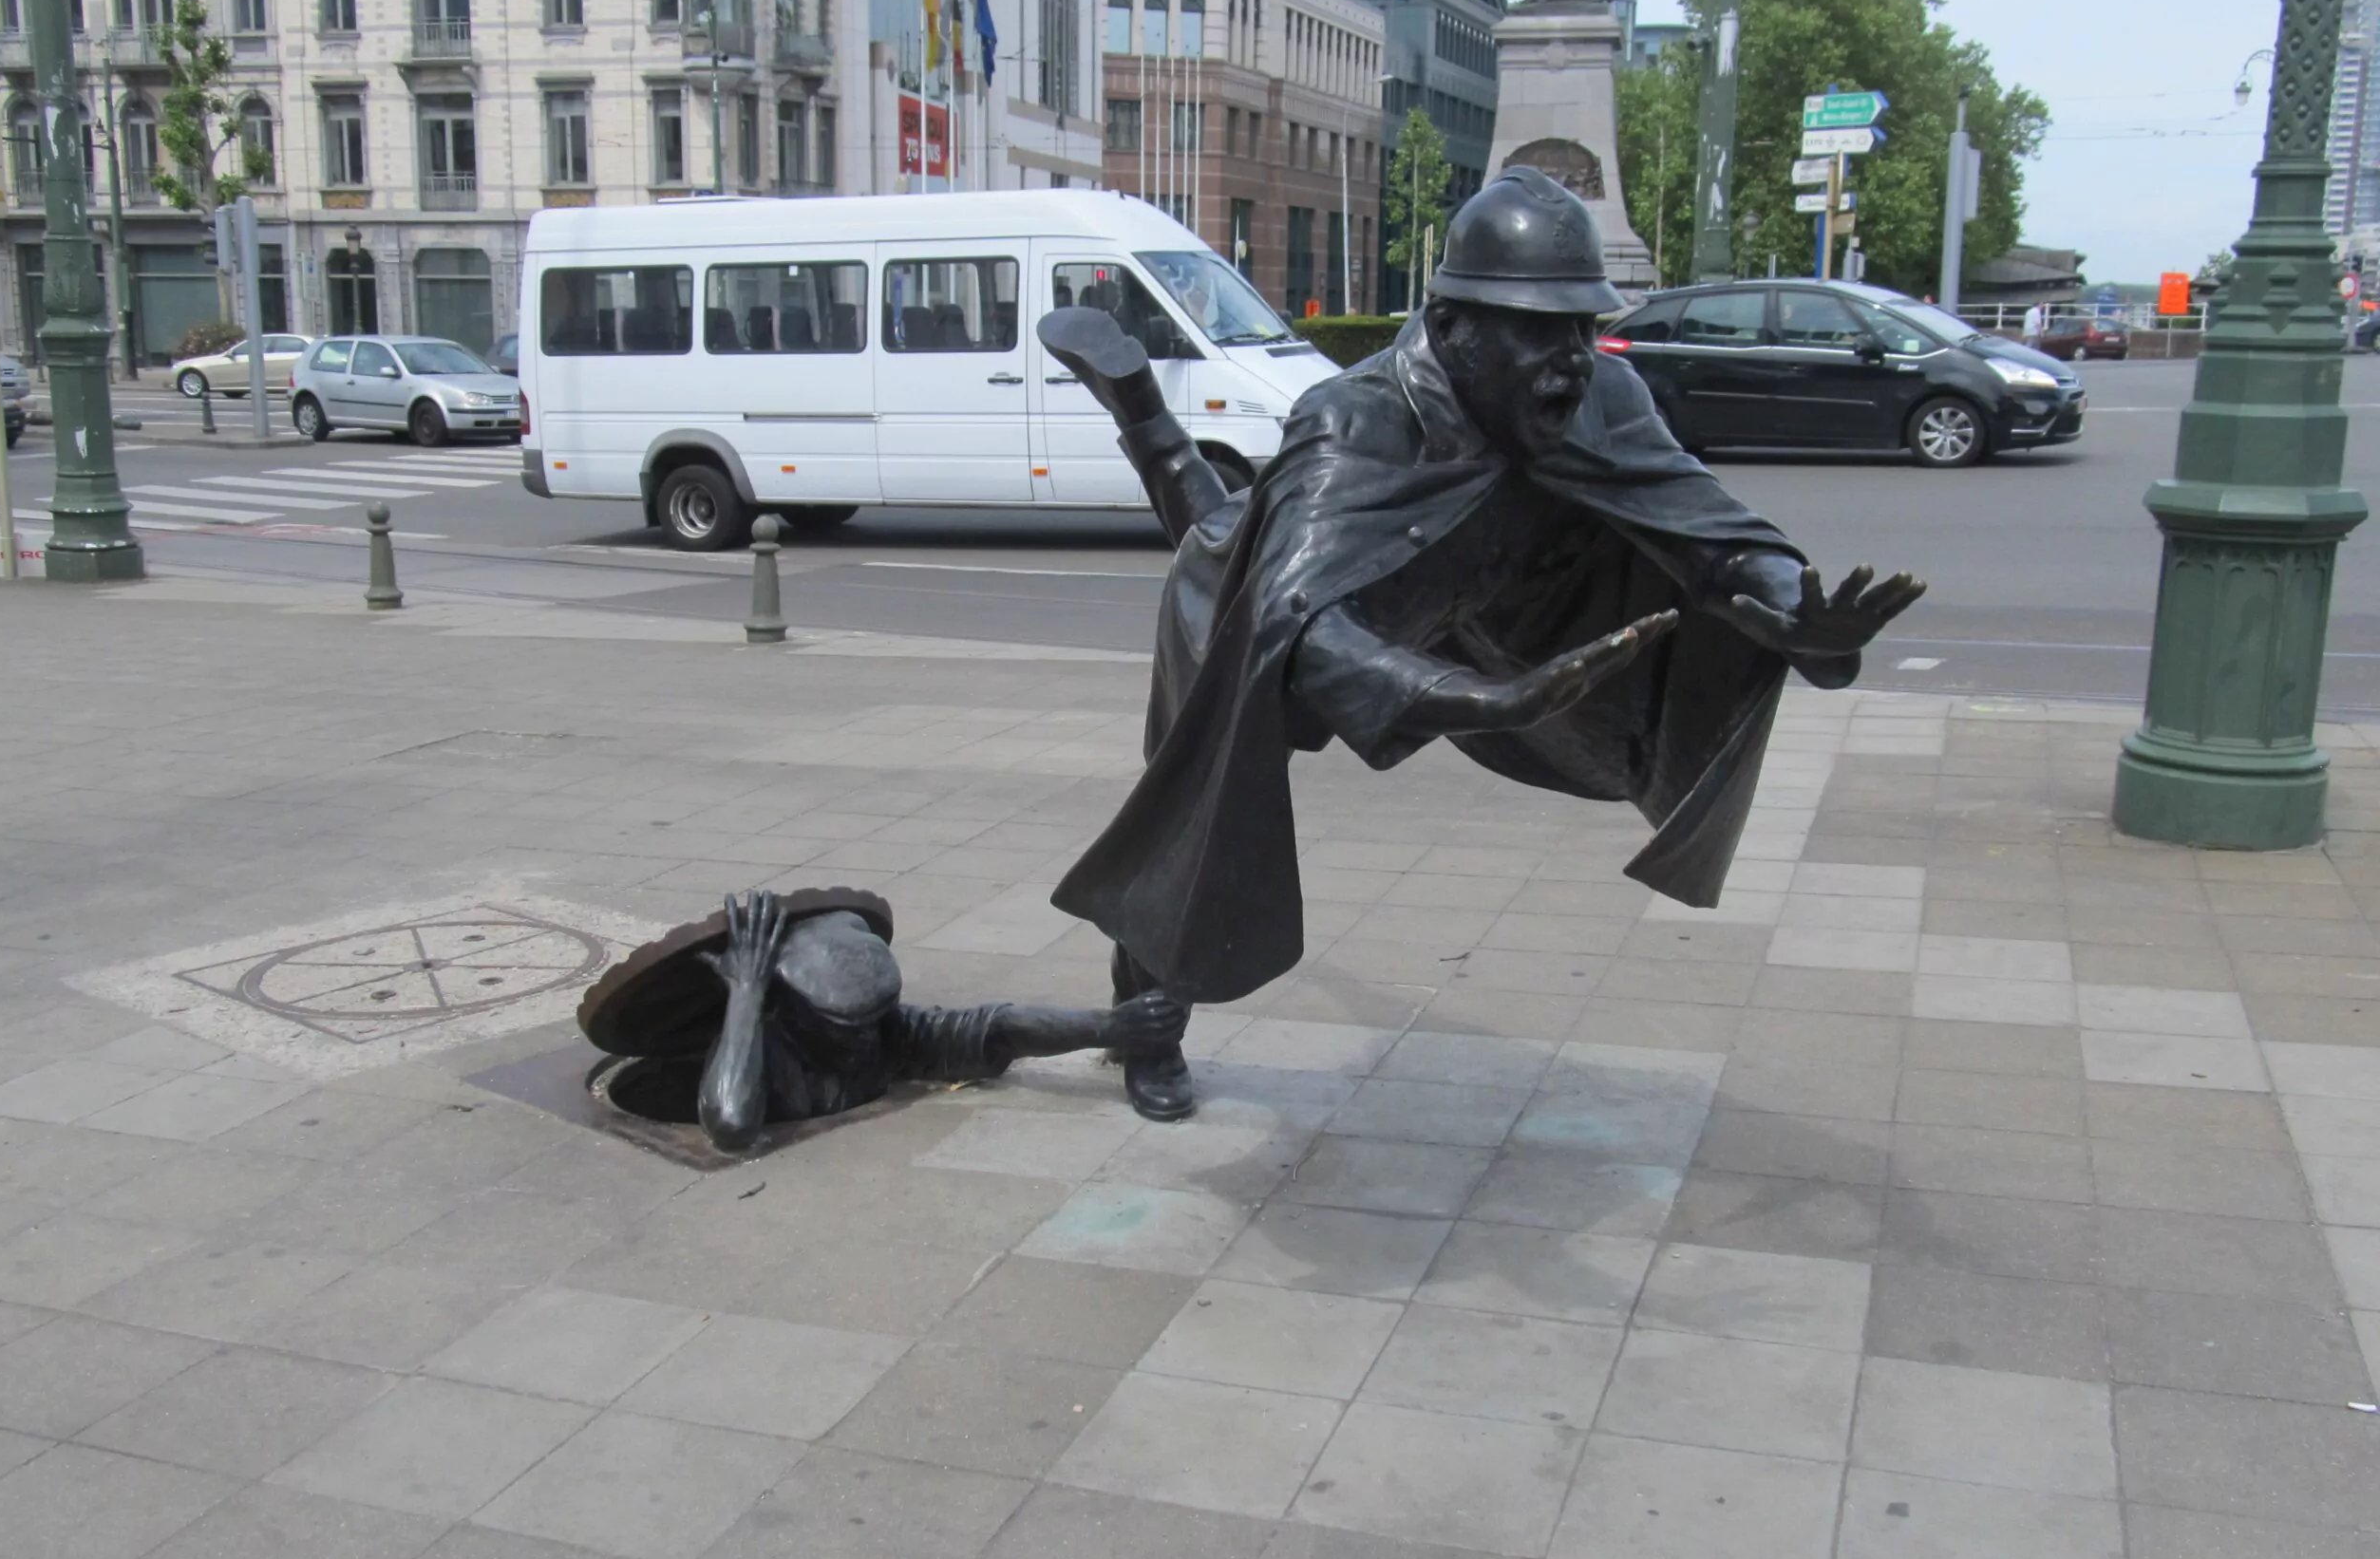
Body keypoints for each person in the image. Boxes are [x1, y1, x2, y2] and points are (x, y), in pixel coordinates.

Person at [1037, 167, 1924, 1121]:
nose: (1573, 358)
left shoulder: (1602, 399)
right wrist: (1480, 700)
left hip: (1447, 615)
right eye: (1540, 331)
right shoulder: (1354, 421)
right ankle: (1146, 1023)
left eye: (1582, 327)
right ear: (1455, 329)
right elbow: (1296, 623)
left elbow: (1714, 539)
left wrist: (1792, 613)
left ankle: (1139, 409)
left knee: (1225, 529)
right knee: (1190, 804)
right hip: (1263, 610)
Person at [577, 889, 1187, 1153]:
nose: (864, 1039)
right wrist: (743, 991)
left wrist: (1111, 1028)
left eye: (872, 1021)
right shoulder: (758, 1042)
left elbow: (995, 1027)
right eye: (843, 1028)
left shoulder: (884, 1034)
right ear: (788, 1011)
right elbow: (732, 1123)